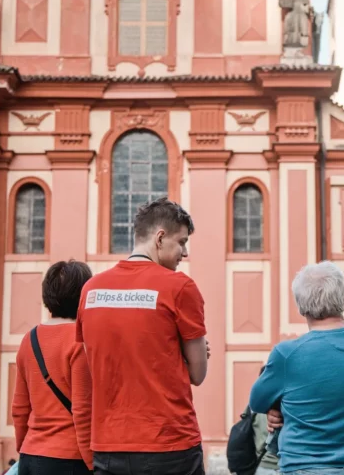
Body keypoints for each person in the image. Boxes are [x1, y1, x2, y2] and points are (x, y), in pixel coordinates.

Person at [77, 197, 209, 475]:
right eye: (182, 242)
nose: (184, 253)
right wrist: (185, 355)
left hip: (109, 446)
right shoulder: (180, 287)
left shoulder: (91, 290)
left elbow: (94, 362)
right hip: (168, 444)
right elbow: (198, 374)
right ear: (160, 238)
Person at [250, 261, 344, 474]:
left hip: (305, 466)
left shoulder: (288, 354)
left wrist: (278, 408)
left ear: (301, 306)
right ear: (342, 298)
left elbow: (256, 402)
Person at [12, 260, 94, 474]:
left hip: (31, 455)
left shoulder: (28, 339)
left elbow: (20, 408)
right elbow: (82, 411)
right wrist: (93, 464)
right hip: (69, 459)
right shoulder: (79, 342)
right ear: (83, 296)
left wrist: (24, 448)